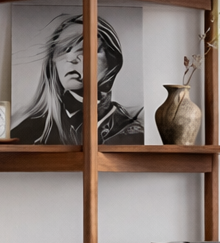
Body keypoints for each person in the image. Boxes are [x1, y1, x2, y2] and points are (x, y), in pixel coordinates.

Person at [12, 13, 142, 145]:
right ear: (53, 64)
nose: (71, 58)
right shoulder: (27, 133)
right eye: (64, 50)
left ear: (113, 62)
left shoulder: (135, 132)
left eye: (85, 49)